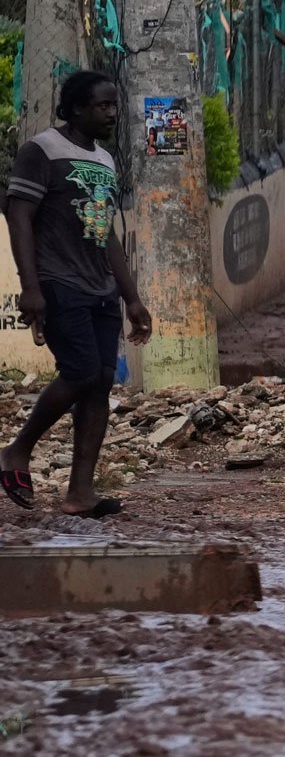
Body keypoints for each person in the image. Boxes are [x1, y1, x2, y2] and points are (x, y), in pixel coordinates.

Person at [0, 70, 153, 518]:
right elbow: (19, 218)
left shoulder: (105, 161)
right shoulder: (41, 151)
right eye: (103, 106)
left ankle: (80, 493)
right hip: (58, 280)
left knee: (101, 381)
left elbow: (105, 235)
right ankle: (16, 450)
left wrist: (132, 298)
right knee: (82, 371)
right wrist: (30, 287)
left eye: (113, 105)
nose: (111, 113)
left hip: (101, 287)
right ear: (77, 108)